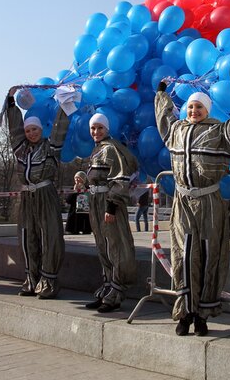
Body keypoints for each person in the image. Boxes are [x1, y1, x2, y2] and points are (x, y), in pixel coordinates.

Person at [155, 84, 230, 337]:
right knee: (183, 257)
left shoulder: (219, 132)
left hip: (210, 203)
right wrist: (161, 94)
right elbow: (163, 116)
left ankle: (202, 315)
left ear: (208, 110)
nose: (194, 110)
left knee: (208, 256)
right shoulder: (176, 131)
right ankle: (184, 313)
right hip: (182, 203)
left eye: (199, 107)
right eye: (191, 106)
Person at [5, 89, 70, 299]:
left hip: (45, 194)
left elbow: (60, 128)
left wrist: (64, 102)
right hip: (26, 198)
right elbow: (14, 128)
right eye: (28, 130)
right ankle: (31, 279)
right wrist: (11, 101)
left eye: (35, 129)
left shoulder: (50, 147)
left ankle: (48, 281)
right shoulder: (21, 149)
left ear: (41, 130)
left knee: (49, 236)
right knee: (27, 237)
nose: (31, 133)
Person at [83, 113, 138, 313]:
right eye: (93, 128)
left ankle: (116, 291)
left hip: (107, 203)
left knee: (114, 245)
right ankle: (107, 287)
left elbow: (120, 178)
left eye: (99, 128)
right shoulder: (97, 150)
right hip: (96, 202)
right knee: (103, 245)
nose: (96, 132)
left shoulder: (111, 149)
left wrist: (112, 206)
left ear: (107, 129)